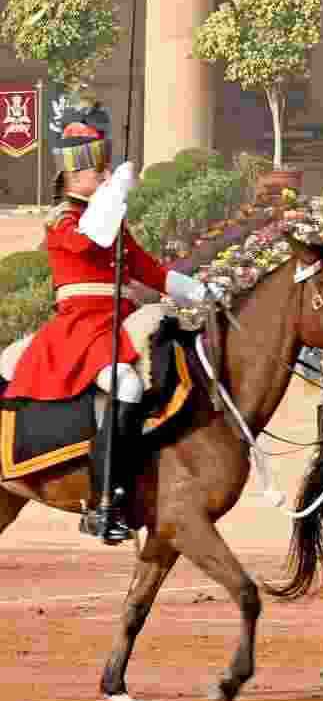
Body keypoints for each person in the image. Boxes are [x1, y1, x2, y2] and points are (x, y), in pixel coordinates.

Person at [5, 101, 215, 544]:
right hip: (80, 329)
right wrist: (116, 191)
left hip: (116, 324)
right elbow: (89, 241)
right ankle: (104, 501)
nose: (102, 177)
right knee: (127, 385)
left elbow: (149, 271)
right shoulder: (62, 218)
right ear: (75, 177)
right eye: (96, 173)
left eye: (105, 172)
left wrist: (199, 290)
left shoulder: (111, 219)